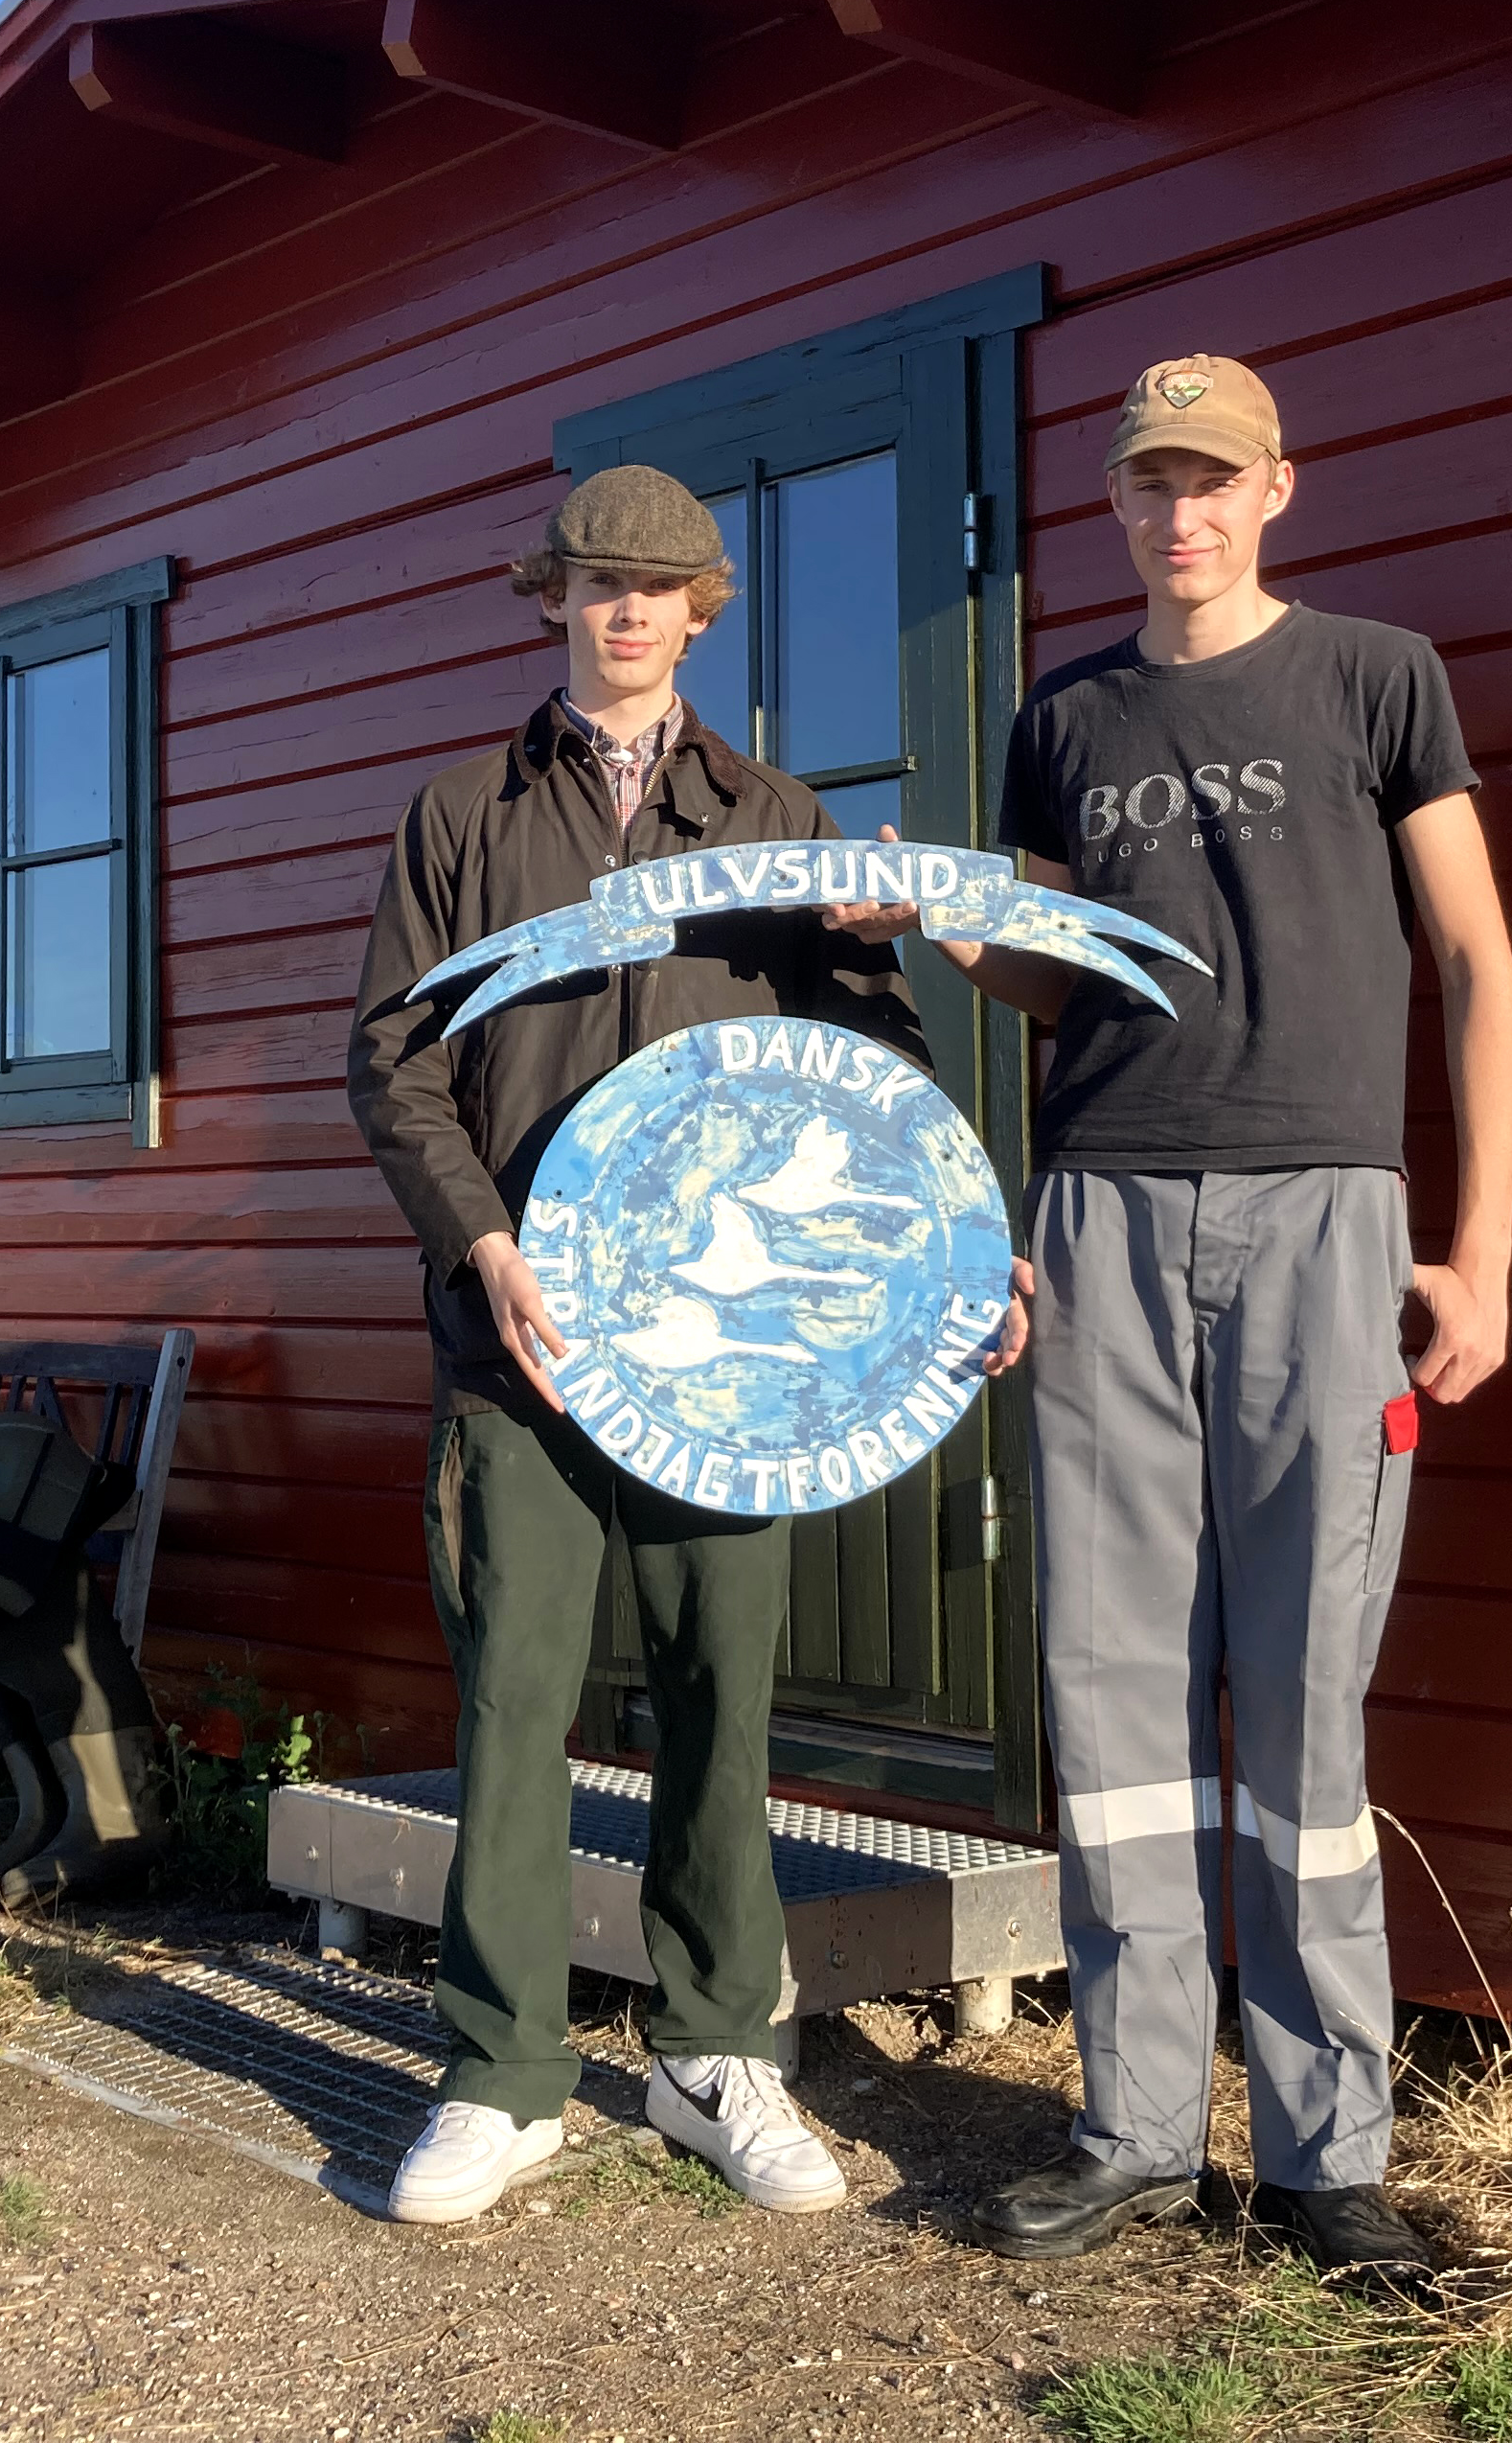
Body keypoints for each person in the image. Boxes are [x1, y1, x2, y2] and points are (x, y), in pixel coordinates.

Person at [837, 355, 1512, 2289]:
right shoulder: (1066, 713)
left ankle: (1325, 2158)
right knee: (1118, 1699)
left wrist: (1481, 1250)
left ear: (1275, 488)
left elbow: (1476, 962)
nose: (1179, 512)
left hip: (1328, 1217)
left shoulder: (1376, 677)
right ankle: (1137, 2130)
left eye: (1212, 479)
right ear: (1116, 504)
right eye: (1149, 483)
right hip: (1108, 1213)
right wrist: (944, 930)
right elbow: (1061, 989)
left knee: (1306, 1697)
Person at [342, 461, 1026, 2226]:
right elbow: (396, 1062)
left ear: (701, 611)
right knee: (513, 1704)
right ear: (554, 599)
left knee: (725, 1699)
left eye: (657, 586)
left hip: (732, 1360)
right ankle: (502, 2075)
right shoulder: (460, 815)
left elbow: (874, 1069)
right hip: (531, 1342)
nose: (627, 608)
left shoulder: (779, 817)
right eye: (596, 582)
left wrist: (952, 1252)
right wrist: (479, 1239)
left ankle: (718, 2051)